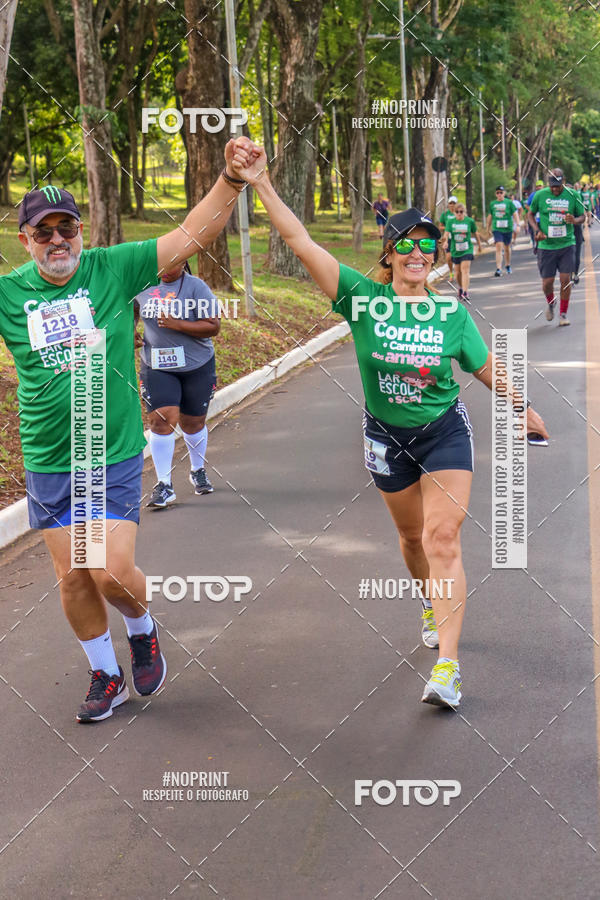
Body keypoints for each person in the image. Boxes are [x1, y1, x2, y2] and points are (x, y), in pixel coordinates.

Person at [230, 137, 548, 710]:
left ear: (436, 256)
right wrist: (261, 184)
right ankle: (429, 601)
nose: (418, 253)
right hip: (385, 439)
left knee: (442, 538)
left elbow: (484, 367)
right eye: (407, 244)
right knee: (409, 538)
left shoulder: (450, 312)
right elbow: (302, 243)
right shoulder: (362, 299)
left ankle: (448, 668)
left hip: (443, 433)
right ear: (390, 252)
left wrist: (521, 406)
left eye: (429, 245)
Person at [0, 152, 244, 722]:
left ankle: (142, 628)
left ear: (80, 231)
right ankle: (105, 675)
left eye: (68, 228)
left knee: (107, 570)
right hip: (50, 457)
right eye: (45, 232)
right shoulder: (10, 293)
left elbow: (191, 232)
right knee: (73, 578)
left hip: (105, 450)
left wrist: (231, 179)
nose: (58, 240)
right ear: (25, 239)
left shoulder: (111, 268)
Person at [136, 261, 219, 507]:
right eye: (163, 262)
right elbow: (130, 311)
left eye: (174, 262)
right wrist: (130, 332)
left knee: (193, 423)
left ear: (183, 262)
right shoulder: (142, 285)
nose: (167, 268)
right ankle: (164, 484)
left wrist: (178, 324)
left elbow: (213, 326)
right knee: (161, 419)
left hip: (196, 364)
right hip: (157, 365)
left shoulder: (196, 287)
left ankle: (197, 470)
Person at [527, 168, 585, 326]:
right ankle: (551, 303)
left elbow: (583, 216)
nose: (555, 189)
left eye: (558, 186)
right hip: (546, 245)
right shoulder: (540, 195)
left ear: (563, 182)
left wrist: (574, 220)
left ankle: (563, 313)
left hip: (567, 243)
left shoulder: (574, 195)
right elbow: (530, 214)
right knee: (547, 283)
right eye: (552, 186)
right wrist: (537, 231)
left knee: (565, 279)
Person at [443, 203, 482, 302]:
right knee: (457, 272)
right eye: (457, 212)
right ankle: (460, 287)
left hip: (467, 249)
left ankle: (465, 292)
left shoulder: (469, 221)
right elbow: (446, 233)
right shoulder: (450, 222)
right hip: (455, 250)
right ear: (454, 212)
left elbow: (475, 233)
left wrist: (480, 245)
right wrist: (446, 242)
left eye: (461, 212)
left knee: (465, 270)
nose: (459, 214)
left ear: (464, 212)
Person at [486, 186, 519, 275]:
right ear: (495, 194)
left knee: (507, 248)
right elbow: (490, 216)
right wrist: (488, 227)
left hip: (508, 228)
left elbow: (515, 213)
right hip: (497, 229)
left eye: (501, 192)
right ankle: (498, 269)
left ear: (504, 193)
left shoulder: (509, 203)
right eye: (497, 193)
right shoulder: (493, 204)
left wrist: (518, 225)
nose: (499, 194)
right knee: (499, 246)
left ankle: (507, 265)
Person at [439, 195, 458, 280]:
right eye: (450, 203)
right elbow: (440, 226)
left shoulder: (459, 213)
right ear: (448, 204)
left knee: (457, 256)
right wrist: (448, 228)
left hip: (458, 238)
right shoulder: (445, 214)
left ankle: (459, 272)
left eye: (454, 203)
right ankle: (451, 273)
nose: (452, 205)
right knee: (448, 257)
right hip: (448, 238)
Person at [525, 180, 544, 253]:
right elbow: (527, 205)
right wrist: (533, 210)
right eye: (537, 186)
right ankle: (536, 245)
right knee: (536, 232)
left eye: (540, 186)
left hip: (544, 218)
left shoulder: (546, 194)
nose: (539, 187)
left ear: (543, 186)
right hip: (536, 218)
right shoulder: (533, 195)